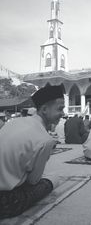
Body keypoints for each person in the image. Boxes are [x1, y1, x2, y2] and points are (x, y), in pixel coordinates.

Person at [0, 83, 65, 219]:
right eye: (60, 109)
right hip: (5, 202)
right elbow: (33, 182)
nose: (63, 114)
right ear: (45, 109)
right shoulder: (44, 139)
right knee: (52, 179)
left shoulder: (12, 123)